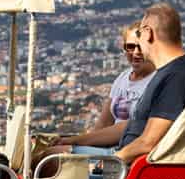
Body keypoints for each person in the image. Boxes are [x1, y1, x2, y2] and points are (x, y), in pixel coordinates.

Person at [114, 2, 185, 165]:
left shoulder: (178, 76)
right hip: (128, 166)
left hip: (133, 171)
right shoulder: (171, 73)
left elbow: (149, 143)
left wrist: (111, 161)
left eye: (139, 33)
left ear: (148, 33)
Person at [58, 21, 155, 156]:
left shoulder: (157, 80)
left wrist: (74, 141)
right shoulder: (123, 77)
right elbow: (104, 122)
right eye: (130, 47)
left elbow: (128, 127)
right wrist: (83, 144)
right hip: (109, 148)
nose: (136, 52)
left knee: (54, 154)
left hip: (127, 152)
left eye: (141, 47)